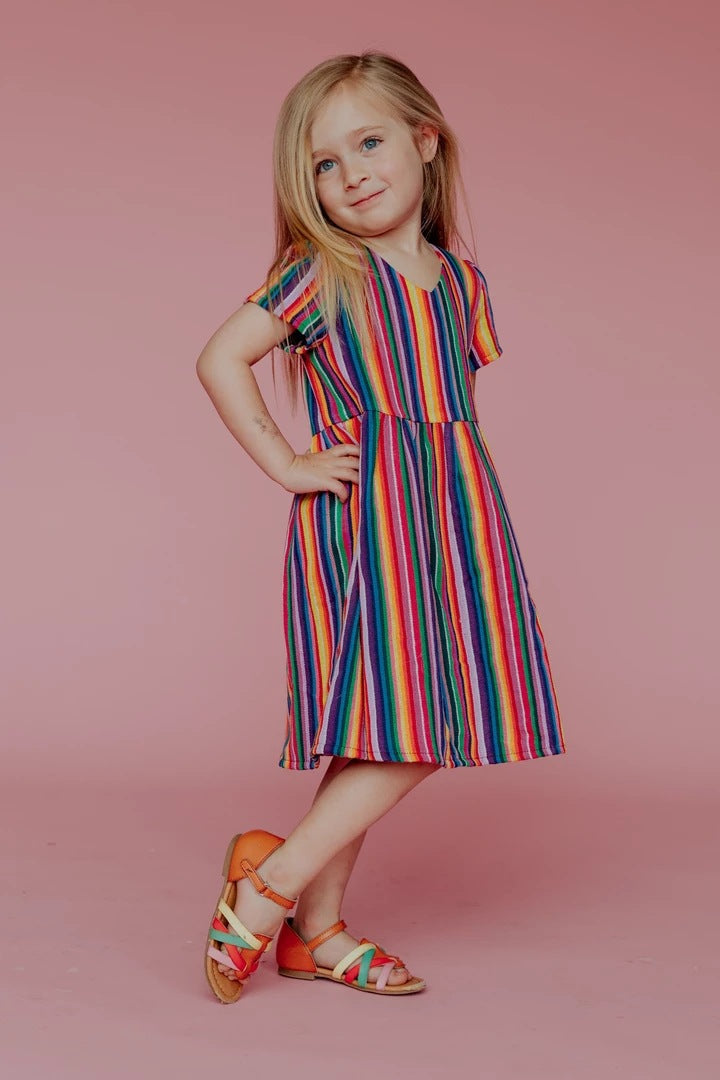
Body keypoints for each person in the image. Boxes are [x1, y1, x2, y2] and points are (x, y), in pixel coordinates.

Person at [195, 51, 567, 1004]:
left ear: (426, 142)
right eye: (324, 161)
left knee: (385, 725)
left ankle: (316, 933)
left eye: (368, 142)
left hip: (456, 514)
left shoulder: (461, 282)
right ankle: (267, 887)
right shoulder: (322, 272)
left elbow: (453, 409)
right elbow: (221, 358)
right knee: (412, 725)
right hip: (368, 522)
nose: (351, 171)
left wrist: (463, 513)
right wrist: (285, 462)